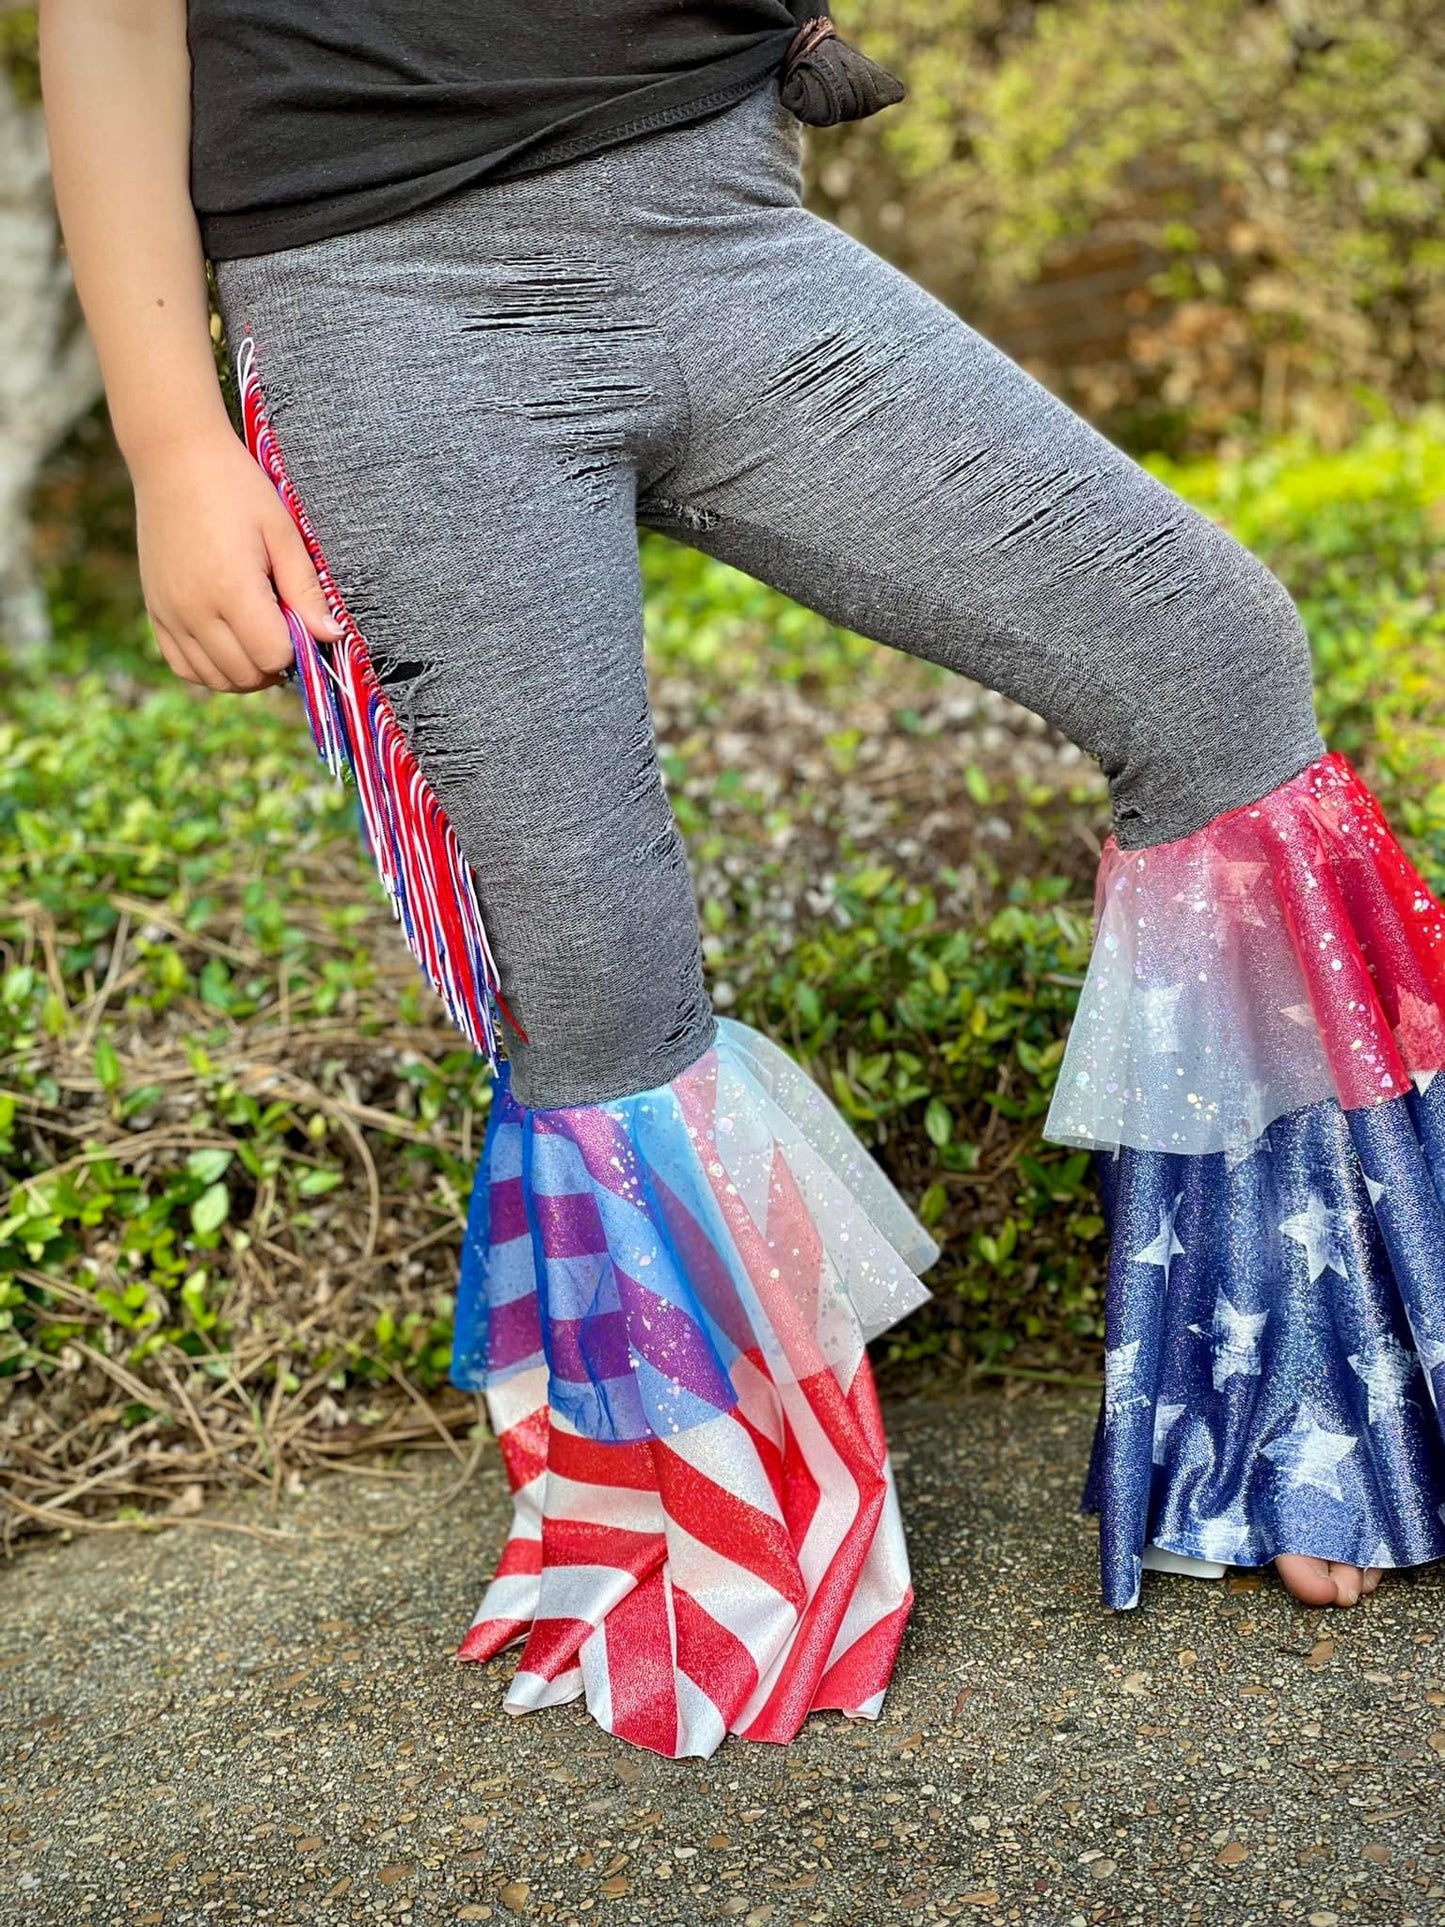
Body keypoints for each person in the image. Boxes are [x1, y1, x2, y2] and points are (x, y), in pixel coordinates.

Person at [39, 0, 1445, 1760]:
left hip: (723, 221)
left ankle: (1306, 1390)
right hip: (385, 302)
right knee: (597, 977)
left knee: (1210, 658)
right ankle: (717, 1549)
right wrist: (171, 444)